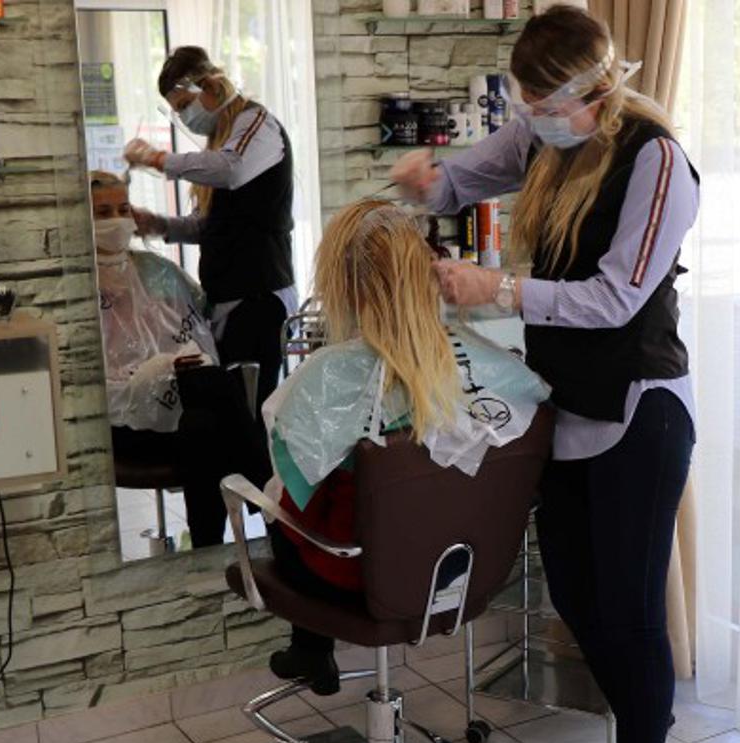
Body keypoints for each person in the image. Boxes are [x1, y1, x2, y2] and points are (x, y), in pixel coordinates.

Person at [392, 8, 698, 743]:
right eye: (527, 105)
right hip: (570, 404)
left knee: (631, 614)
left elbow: (615, 298)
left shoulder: (657, 162)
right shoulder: (545, 132)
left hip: (640, 409)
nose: (534, 120)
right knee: (575, 594)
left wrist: (498, 289)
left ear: (593, 89)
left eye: (546, 105)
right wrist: (425, 181)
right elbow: (465, 178)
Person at [262, 199, 550, 695]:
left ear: (345, 285)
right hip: (464, 571)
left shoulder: (328, 377)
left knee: (279, 514)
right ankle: (311, 651)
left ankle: (310, 650)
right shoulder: (490, 364)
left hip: (358, 577)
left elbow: (298, 496)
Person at [90, 170, 260, 547]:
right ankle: (265, 493)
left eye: (123, 209)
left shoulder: (157, 272)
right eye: (102, 213)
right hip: (121, 429)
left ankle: (206, 552)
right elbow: (92, 389)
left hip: (185, 413)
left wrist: (176, 366)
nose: (116, 220)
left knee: (203, 425)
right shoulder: (77, 290)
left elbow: (199, 326)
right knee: (210, 401)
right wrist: (155, 373)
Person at [123, 46, 296, 414]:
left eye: (186, 104)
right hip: (230, 299)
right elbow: (211, 225)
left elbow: (231, 169)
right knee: (233, 412)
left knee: (252, 415)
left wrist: (158, 159)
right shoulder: (223, 141)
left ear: (211, 87)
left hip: (260, 298)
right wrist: (158, 225)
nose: (186, 117)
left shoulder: (258, 124)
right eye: (178, 111)